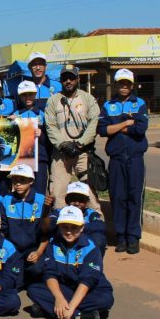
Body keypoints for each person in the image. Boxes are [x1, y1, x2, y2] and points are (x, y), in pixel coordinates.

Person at [26, 206, 114, 319]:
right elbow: (50, 273)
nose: (69, 231)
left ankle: (50, 310)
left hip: (88, 290)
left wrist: (71, 306)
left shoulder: (91, 248)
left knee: (105, 300)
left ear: (82, 227)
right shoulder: (53, 244)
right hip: (65, 288)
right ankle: (82, 316)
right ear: (58, 227)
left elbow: (87, 281)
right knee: (33, 290)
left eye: (74, 227)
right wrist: (59, 298)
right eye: (64, 227)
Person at [97, 68, 148, 254]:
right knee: (118, 198)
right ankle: (121, 237)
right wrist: (127, 122)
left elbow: (141, 129)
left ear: (132, 85)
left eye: (127, 83)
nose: (124, 87)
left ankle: (133, 237)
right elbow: (102, 130)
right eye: (121, 83)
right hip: (116, 159)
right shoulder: (108, 105)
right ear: (116, 85)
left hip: (135, 159)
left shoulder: (140, 103)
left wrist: (115, 126)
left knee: (135, 197)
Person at [44, 65, 101, 212]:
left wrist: (80, 144)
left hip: (82, 153)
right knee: (58, 192)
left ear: (78, 79)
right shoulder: (53, 100)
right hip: (61, 154)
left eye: (71, 78)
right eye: (64, 78)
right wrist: (63, 144)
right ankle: (60, 227)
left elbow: (94, 123)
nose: (68, 81)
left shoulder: (88, 98)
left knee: (90, 192)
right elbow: (50, 126)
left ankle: (97, 225)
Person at [0, 164, 52, 283]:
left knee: (37, 270)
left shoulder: (42, 200)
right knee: (5, 274)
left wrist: (38, 252)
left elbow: (46, 233)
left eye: (22, 180)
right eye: (15, 180)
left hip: (34, 249)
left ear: (31, 181)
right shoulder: (6, 200)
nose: (17, 184)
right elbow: (3, 231)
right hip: (13, 249)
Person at [42, 182, 106, 256]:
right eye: (72, 199)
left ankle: (93, 264)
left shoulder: (90, 213)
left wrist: (76, 228)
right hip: (63, 245)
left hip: (83, 244)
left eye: (81, 199)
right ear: (66, 200)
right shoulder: (60, 212)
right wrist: (46, 209)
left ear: (87, 201)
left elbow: (100, 225)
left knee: (99, 237)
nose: (77, 203)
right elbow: (48, 226)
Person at [15, 80, 49, 194]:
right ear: (19, 96)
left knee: (39, 192)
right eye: (24, 95)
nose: (27, 97)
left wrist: (42, 134)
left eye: (30, 94)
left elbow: (50, 138)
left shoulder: (43, 113)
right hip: (22, 159)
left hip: (40, 158)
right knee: (22, 191)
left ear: (35, 94)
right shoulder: (16, 114)